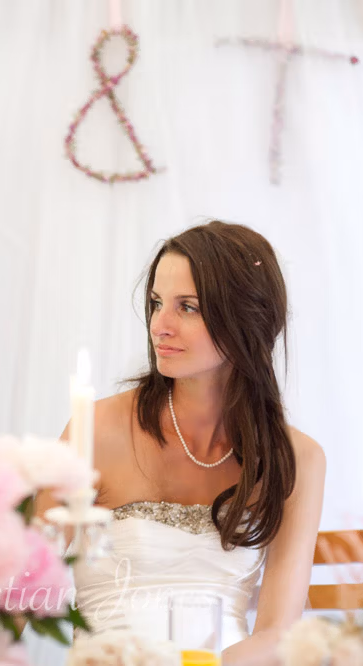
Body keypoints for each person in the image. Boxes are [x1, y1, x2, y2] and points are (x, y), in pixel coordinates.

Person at [39, 221, 325, 666]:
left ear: (247, 317)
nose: (160, 326)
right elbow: (18, 582)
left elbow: (276, 632)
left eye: (187, 307)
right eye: (155, 303)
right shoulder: (96, 429)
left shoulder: (298, 459)